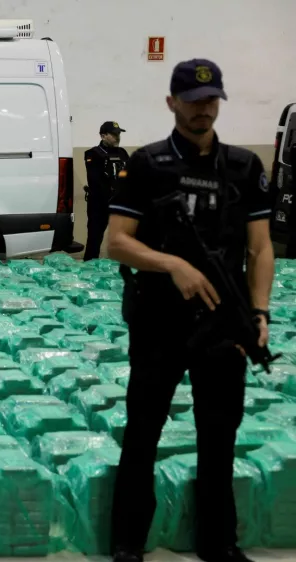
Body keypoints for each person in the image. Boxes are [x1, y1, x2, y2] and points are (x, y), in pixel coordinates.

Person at [107, 59, 273, 562]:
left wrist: (260, 314)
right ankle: (129, 543)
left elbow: (261, 249)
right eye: (194, 100)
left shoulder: (245, 167)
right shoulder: (147, 164)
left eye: (212, 100)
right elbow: (116, 242)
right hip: (160, 320)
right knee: (143, 432)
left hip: (224, 322)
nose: (204, 109)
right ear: (171, 102)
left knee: (219, 436)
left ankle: (218, 543)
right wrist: (172, 264)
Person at [83, 121, 131, 261]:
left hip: (120, 205)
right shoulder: (92, 154)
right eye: (114, 134)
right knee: (94, 238)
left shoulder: (122, 153)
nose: (118, 137)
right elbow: (95, 181)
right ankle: (90, 269)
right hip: (99, 204)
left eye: (119, 134)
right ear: (103, 136)